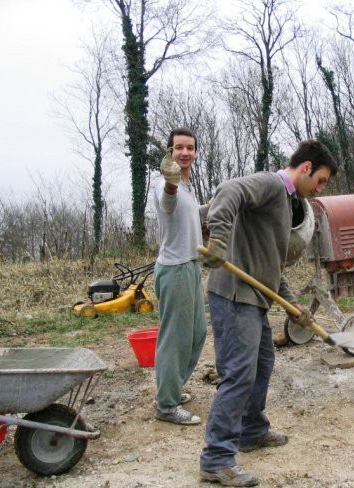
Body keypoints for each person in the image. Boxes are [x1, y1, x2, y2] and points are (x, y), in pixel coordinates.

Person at [199, 140, 338, 486]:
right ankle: (216, 458)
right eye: (320, 180)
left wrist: (294, 309)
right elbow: (228, 191)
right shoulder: (272, 184)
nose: (319, 189)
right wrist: (218, 240)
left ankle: (251, 430)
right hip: (234, 296)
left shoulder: (286, 201)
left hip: (255, 296)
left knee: (263, 363)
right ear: (305, 167)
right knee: (238, 373)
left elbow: (271, 266)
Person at [152, 127, 208, 425]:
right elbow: (168, 204)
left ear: (195, 152)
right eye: (179, 148)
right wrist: (171, 184)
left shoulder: (187, 185)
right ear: (170, 152)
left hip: (191, 265)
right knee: (175, 339)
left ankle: (169, 388)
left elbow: (189, 212)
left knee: (197, 334)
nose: (185, 152)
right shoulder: (167, 184)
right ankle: (166, 405)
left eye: (190, 148)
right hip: (175, 269)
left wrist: (209, 207)